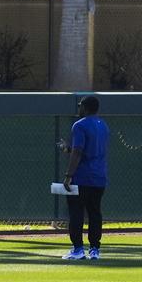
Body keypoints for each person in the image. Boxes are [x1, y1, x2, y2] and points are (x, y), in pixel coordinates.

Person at [61, 94, 109, 262]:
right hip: (99, 177)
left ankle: (78, 249)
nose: (79, 108)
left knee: (76, 213)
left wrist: (68, 175)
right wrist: (68, 149)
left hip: (82, 178)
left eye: (81, 105)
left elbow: (79, 151)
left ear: (86, 107)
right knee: (95, 213)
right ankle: (95, 249)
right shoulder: (103, 125)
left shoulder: (79, 125)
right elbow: (91, 150)